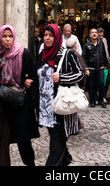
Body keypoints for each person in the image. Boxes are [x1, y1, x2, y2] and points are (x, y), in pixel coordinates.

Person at [35, 23, 83, 166]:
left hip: (60, 104)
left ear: (57, 37)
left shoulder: (66, 54)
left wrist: (62, 78)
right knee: (55, 137)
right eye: (45, 35)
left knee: (57, 138)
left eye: (51, 35)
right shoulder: (41, 56)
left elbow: (80, 73)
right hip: (46, 106)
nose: (47, 38)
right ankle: (66, 159)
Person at [0, 24, 39, 166]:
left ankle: (30, 164)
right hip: (3, 103)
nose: (7, 39)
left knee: (23, 140)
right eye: (4, 36)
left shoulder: (24, 53)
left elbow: (34, 76)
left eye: (10, 36)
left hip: (20, 103)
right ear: (0, 37)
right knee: (1, 139)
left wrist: (28, 82)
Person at [82, 27, 108, 108]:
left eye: (95, 32)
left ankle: (101, 100)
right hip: (91, 68)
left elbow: (104, 54)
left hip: (100, 67)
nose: (94, 34)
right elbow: (84, 57)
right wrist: (86, 68)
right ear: (90, 35)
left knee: (101, 83)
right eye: (92, 33)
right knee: (91, 85)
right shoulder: (86, 45)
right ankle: (92, 101)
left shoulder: (101, 43)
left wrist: (105, 65)